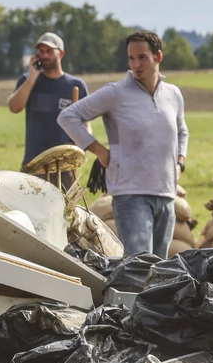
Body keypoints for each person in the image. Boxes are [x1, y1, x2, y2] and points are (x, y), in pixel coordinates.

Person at [58, 30, 189, 257]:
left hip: (166, 192)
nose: (135, 64)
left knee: (162, 270)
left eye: (142, 57)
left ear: (158, 57)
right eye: (131, 58)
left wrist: (180, 163)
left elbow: (181, 131)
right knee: (139, 266)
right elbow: (68, 117)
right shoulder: (116, 93)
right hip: (130, 193)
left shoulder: (173, 94)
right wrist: (100, 152)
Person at [7, 32, 89, 189]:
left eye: (49, 51)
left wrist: (81, 147)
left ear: (62, 53)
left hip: (65, 166)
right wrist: (32, 77)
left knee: (65, 211)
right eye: (41, 51)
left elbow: (85, 124)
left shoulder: (76, 85)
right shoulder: (28, 80)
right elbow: (14, 107)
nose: (44, 55)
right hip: (34, 163)